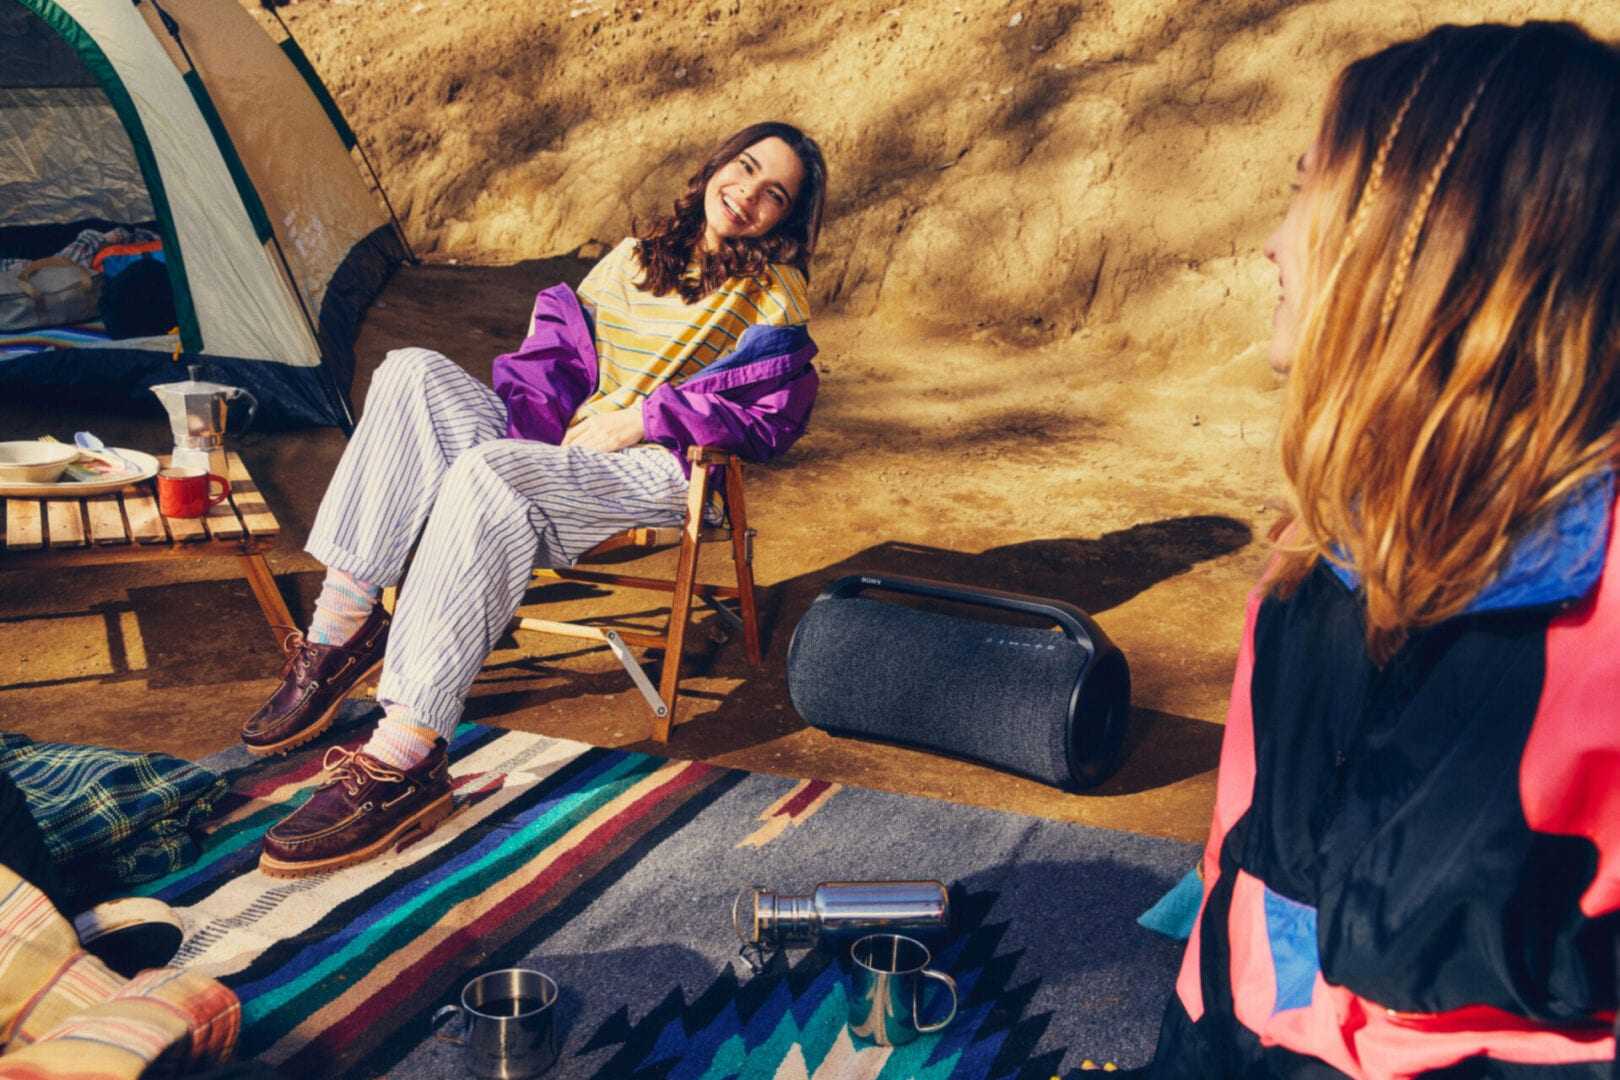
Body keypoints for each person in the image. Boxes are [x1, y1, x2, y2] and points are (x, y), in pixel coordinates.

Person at [1150, 22, 1620, 1079]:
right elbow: (1242, 879)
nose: (1273, 245)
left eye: (1306, 190)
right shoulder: (1311, 553)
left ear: (1438, 237)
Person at [242, 121, 827, 878]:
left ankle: (406, 756)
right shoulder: (633, 257)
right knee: (410, 371)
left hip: (661, 468)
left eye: (773, 193)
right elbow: (552, 359)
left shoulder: (773, 296)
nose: (746, 194)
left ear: (784, 219)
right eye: (743, 168)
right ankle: (340, 631)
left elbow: (771, 418)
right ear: (716, 165)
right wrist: (540, 426)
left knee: (492, 473)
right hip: (560, 448)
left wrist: (642, 419)